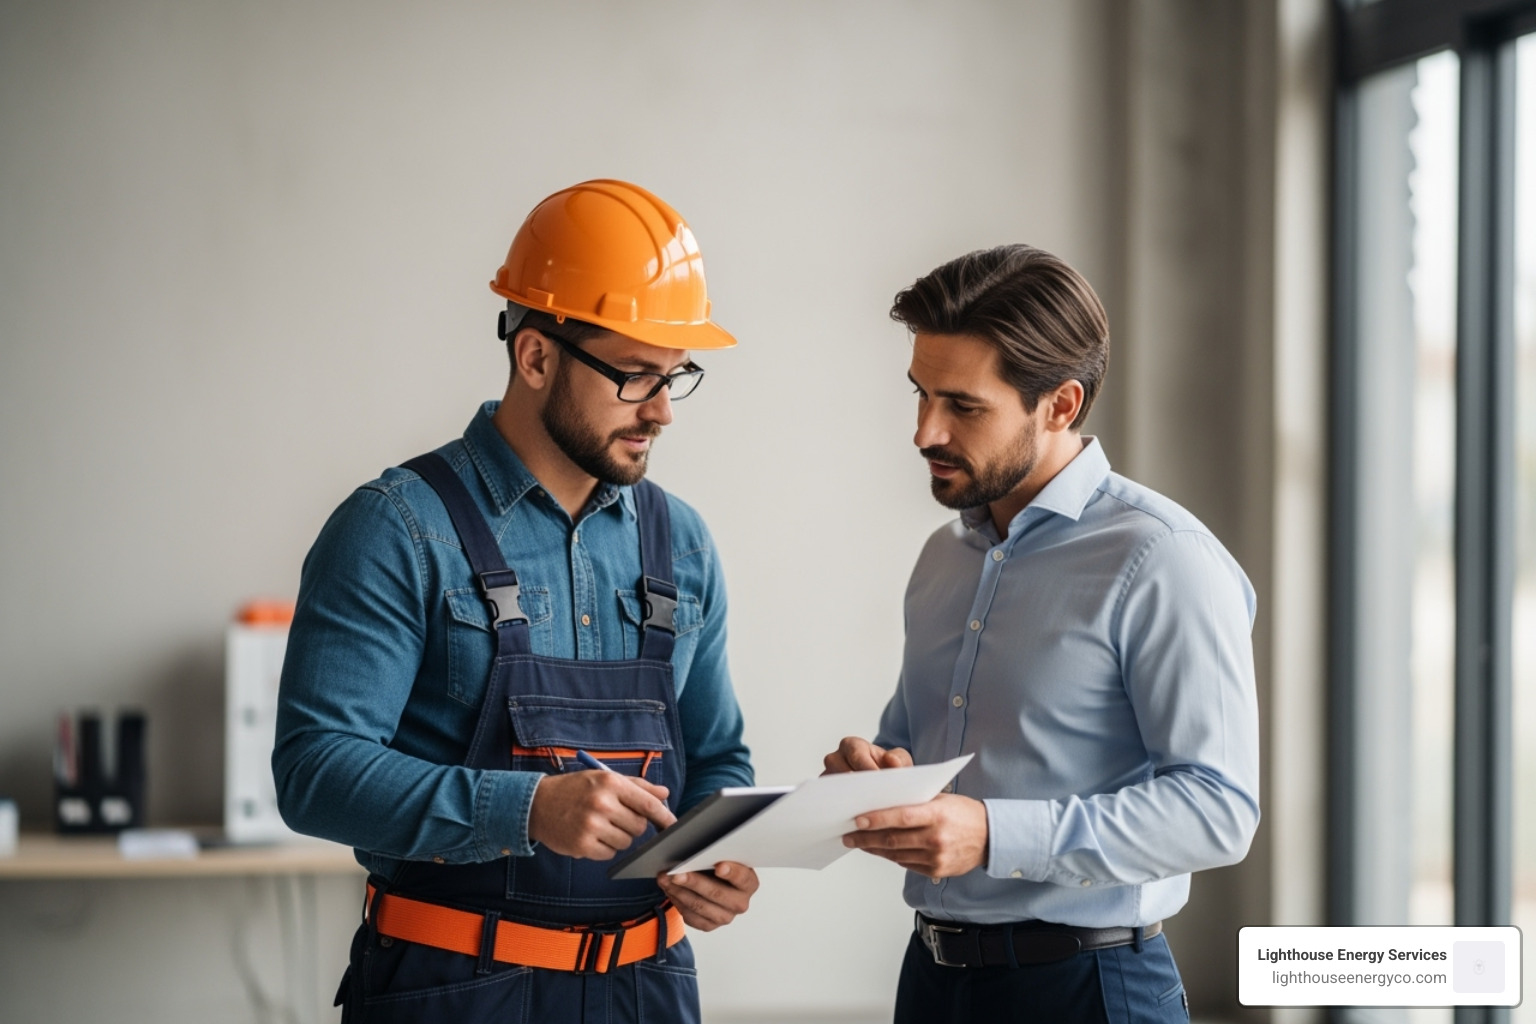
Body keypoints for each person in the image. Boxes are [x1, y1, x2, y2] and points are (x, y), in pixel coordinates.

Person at [273, 179, 758, 1024]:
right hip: (453, 991)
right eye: (636, 376)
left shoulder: (682, 544)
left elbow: (716, 756)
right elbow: (315, 771)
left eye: (676, 378)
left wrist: (715, 851)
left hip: (646, 991)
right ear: (535, 357)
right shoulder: (396, 529)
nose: (661, 413)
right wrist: (528, 808)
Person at [824, 244, 1260, 1023]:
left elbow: (1218, 810)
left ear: (1059, 405)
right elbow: (921, 746)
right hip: (931, 979)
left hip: (1089, 990)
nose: (924, 431)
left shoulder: (1163, 560)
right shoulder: (943, 556)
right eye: (920, 394)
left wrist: (992, 833)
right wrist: (878, 772)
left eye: (962, 405)